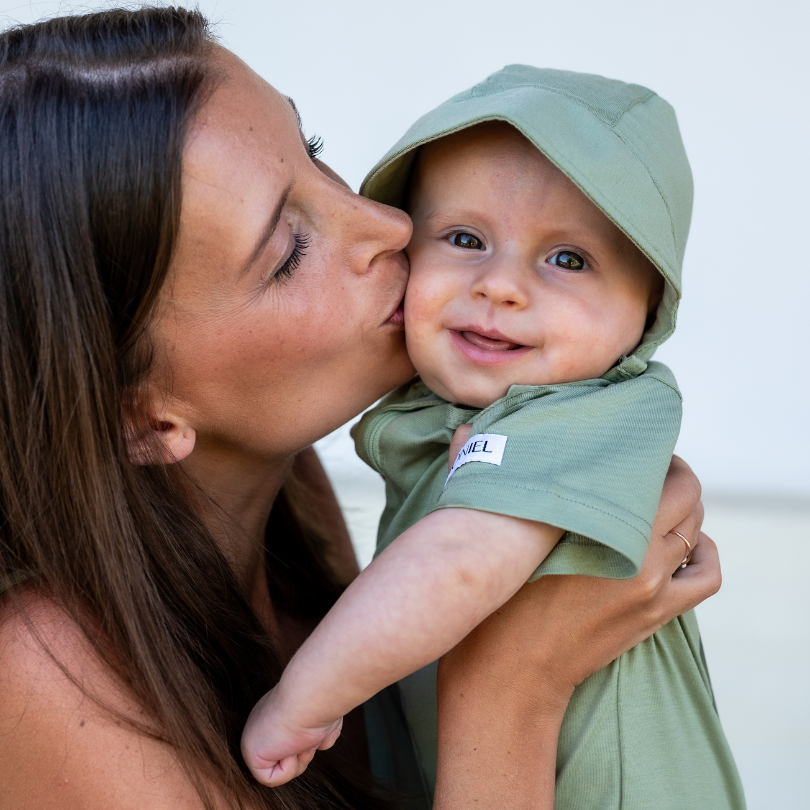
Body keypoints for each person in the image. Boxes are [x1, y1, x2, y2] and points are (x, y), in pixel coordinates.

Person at [0, 8, 720, 810]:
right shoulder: (41, 673)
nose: (390, 223)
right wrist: (510, 687)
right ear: (144, 419)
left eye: (314, 153)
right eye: (287, 252)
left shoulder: (291, 503)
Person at [242, 67, 745, 809]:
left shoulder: (582, 411)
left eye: (568, 259)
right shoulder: (446, 417)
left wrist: (299, 703)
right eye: (465, 237)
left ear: (646, 313)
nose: (501, 285)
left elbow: (457, 565)